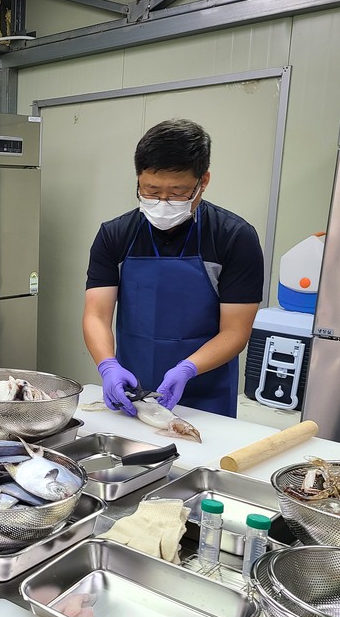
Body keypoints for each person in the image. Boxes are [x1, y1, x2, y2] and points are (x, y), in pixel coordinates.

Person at [83, 118, 263, 418]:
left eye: (178, 193)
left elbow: (235, 331)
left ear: (202, 181)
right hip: (132, 390)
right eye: (151, 190)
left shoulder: (233, 237)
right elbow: (96, 315)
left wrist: (187, 369)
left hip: (206, 398)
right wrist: (108, 366)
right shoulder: (115, 234)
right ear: (138, 179)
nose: (163, 202)